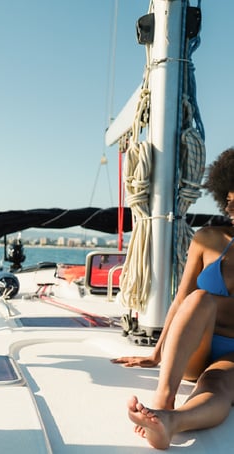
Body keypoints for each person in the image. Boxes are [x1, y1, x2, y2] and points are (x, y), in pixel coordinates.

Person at [113, 147, 234, 449]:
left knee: (215, 384)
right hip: (195, 345)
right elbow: (181, 300)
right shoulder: (208, 238)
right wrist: (157, 353)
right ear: (229, 195)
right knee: (199, 298)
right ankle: (162, 402)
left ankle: (168, 422)